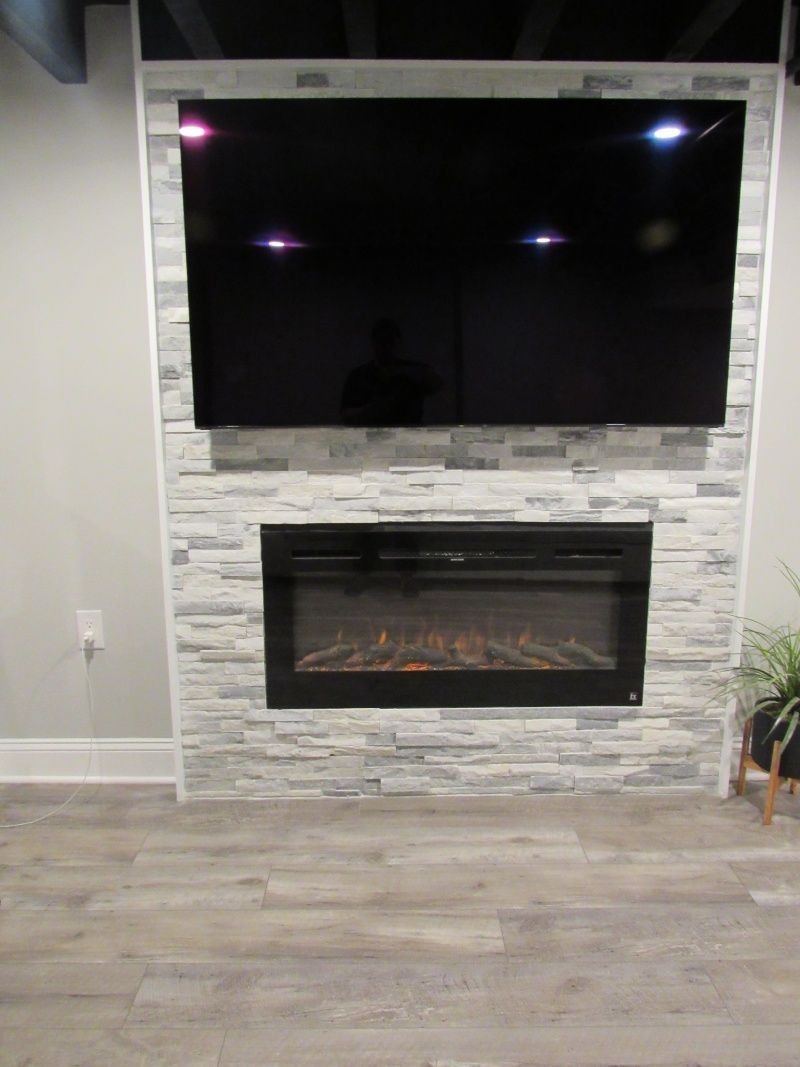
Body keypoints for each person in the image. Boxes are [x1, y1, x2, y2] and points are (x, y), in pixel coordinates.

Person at [341, 318, 443, 426]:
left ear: (398, 343)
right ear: (374, 343)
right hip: (373, 433)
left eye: (391, 342)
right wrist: (370, 410)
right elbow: (346, 415)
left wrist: (402, 371)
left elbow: (436, 384)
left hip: (409, 434)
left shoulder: (414, 372)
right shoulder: (358, 376)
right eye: (382, 342)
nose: (387, 347)